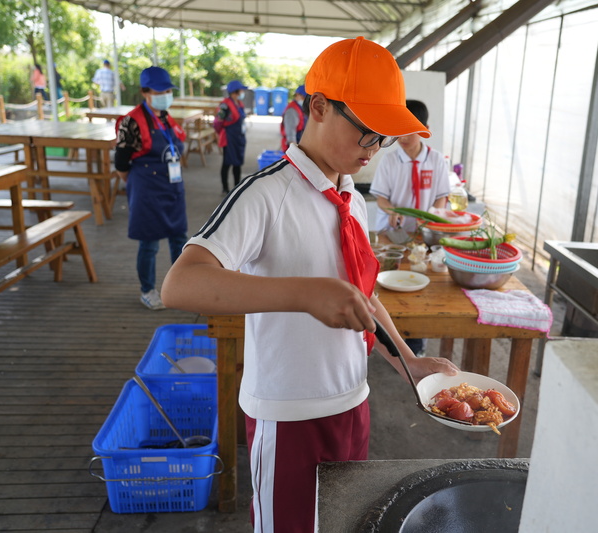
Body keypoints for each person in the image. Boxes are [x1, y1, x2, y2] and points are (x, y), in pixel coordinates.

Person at [160, 37, 459, 532]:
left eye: (383, 138)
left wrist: (407, 359)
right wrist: (305, 294)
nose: (376, 151)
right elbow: (181, 284)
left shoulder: (352, 199)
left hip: (351, 400)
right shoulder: (268, 194)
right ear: (318, 107)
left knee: (342, 523)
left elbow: (364, 299)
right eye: (368, 133)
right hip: (287, 414)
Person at [370, 99, 450, 357]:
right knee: (389, 284)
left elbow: (441, 196)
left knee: (419, 285)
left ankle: (416, 345)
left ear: (425, 129)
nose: (402, 137)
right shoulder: (390, 161)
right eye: (398, 130)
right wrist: (392, 210)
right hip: (391, 234)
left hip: (422, 237)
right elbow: (381, 197)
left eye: (410, 130)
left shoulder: (436, 160)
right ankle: (389, 342)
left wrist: (433, 217)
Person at [113, 66, 188, 311]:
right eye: (160, 90)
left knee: (179, 239)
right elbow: (121, 162)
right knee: (150, 244)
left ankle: (181, 288)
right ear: (145, 92)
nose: (165, 94)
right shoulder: (131, 122)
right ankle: (148, 290)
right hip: (147, 188)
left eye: (168, 90)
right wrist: (137, 183)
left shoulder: (165, 117)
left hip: (172, 187)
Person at [214, 80, 248, 194]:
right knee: (227, 162)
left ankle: (236, 187)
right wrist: (220, 134)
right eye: (241, 90)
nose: (243, 92)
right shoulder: (225, 105)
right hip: (230, 137)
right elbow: (217, 122)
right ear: (234, 92)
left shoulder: (239, 103)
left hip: (239, 137)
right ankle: (225, 188)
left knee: (237, 162)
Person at [280, 84, 308, 151]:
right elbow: (290, 131)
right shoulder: (292, 110)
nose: (305, 100)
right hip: (292, 145)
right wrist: (294, 149)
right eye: (303, 97)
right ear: (297, 95)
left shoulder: (300, 108)